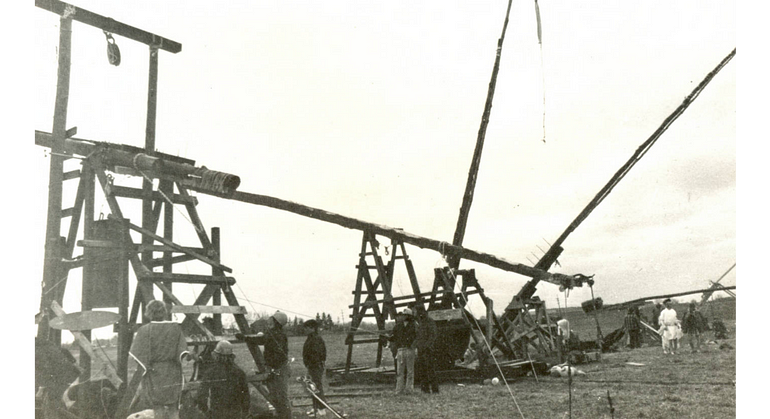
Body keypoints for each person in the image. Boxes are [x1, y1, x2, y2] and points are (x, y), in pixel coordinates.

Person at [129, 300, 188, 419]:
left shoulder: (144, 330)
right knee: (173, 407)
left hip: (154, 373)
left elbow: (137, 354)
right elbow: (182, 352)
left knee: (158, 408)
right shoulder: (175, 328)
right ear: (164, 312)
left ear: (149, 313)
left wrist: (148, 365)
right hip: (173, 371)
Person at [195, 340, 249, 419]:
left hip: (217, 412)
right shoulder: (239, 372)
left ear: (216, 355)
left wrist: (205, 410)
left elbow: (202, 394)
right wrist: (245, 411)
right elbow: (245, 394)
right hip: (235, 412)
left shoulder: (211, 372)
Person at [264, 310, 291, 419]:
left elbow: (263, 339)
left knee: (281, 396)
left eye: (272, 320)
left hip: (279, 368)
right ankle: (282, 415)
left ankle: (286, 416)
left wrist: (245, 338)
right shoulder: (276, 333)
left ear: (276, 322)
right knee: (277, 395)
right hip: (277, 367)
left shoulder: (275, 334)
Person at [302, 319, 328, 417]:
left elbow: (318, 354)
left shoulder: (316, 338)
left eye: (307, 328)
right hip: (312, 366)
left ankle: (321, 409)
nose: (305, 330)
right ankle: (316, 407)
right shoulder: (311, 338)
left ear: (312, 328)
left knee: (316, 387)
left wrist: (313, 364)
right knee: (312, 387)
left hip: (315, 366)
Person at [389, 308, 417, 394]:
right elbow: (393, 337)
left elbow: (417, 337)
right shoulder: (398, 326)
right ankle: (399, 390)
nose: (404, 316)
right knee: (400, 372)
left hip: (410, 350)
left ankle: (409, 390)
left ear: (409, 316)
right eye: (403, 315)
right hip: (400, 350)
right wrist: (389, 338)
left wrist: (414, 346)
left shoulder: (414, 325)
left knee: (410, 372)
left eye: (406, 315)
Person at [414, 305, 439, 394]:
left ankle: (434, 389)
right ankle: (425, 389)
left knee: (430, 369)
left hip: (428, 350)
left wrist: (426, 346)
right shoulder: (420, 323)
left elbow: (433, 335)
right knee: (422, 369)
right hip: (421, 349)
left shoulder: (429, 322)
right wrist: (418, 346)